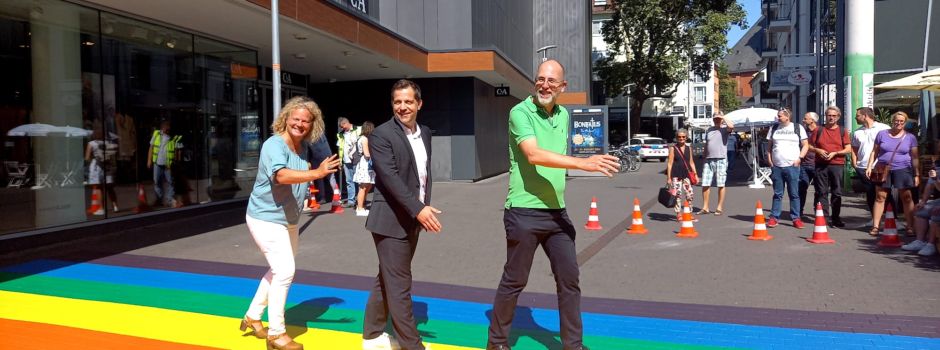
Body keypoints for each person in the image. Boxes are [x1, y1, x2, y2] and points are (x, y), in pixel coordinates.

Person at [486, 60, 619, 350]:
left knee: (570, 280)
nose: (544, 85)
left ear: (562, 87)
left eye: (551, 81)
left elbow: (556, 161)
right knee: (515, 280)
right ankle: (496, 343)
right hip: (523, 211)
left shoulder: (563, 116)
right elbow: (533, 154)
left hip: (557, 213)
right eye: (540, 79)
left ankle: (573, 345)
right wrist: (584, 163)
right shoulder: (519, 112)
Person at [241, 96, 340, 350]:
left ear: (312, 126)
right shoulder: (274, 145)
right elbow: (281, 175)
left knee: (278, 269)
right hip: (265, 217)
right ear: (285, 119)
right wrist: (316, 173)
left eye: (306, 121)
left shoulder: (302, 148)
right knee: (285, 271)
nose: (300, 124)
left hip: (288, 219)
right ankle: (276, 334)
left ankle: (253, 316)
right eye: (295, 119)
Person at [362, 80, 442, 350]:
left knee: (387, 276)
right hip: (389, 221)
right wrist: (420, 209)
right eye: (397, 102)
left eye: (408, 101)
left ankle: (372, 335)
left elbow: (422, 176)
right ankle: (412, 345)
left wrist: (421, 207)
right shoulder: (381, 135)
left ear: (419, 104)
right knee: (400, 283)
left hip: (411, 219)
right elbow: (390, 178)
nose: (403, 107)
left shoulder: (426, 133)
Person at [866, 111, 920, 237]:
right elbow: (874, 152)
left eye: (901, 121)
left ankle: (910, 226)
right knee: (880, 197)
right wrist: (869, 166)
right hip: (882, 168)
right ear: (892, 121)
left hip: (903, 169)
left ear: (905, 123)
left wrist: (916, 174)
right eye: (896, 120)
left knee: (906, 197)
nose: (898, 123)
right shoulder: (882, 134)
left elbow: (915, 157)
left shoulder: (910, 137)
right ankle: (876, 226)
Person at [766, 107, 809, 229]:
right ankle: (774, 218)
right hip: (777, 167)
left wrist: (799, 158)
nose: (777, 118)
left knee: (794, 194)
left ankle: (796, 218)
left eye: (780, 116)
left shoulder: (797, 127)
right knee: (777, 194)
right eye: (777, 116)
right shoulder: (774, 128)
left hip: (792, 166)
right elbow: (769, 147)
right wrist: (769, 160)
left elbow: (805, 145)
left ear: (787, 116)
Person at [809, 106, 852, 228]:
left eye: (834, 115)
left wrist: (835, 153)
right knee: (822, 192)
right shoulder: (818, 130)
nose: (831, 117)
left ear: (838, 117)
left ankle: (836, 218)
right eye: (829, 115)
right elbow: (809, 146)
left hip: (837, 164)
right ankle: (824, 218)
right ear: (825, 116)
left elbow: (848, 149)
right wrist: (818, 150)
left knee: (836, 192)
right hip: (821, 164)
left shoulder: (842, 131)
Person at [852, 107, 891, 212]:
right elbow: (854, 148)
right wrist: (855, 163)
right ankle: (874, 218)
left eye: (857, 116)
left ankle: (891, 218)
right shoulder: (857, 132)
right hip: (862, 167)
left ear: (865, 116)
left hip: (879, 166)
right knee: (870, 193)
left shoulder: (883, 128)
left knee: (883, 193)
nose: (855, 118)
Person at [698, 112, 733, 215]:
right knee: (705, 183)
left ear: (721, 120)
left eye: (718, 119)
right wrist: (704, 155)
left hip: (721, 159)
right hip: (708, 159)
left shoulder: (725, 129)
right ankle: (705, 207)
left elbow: (731, 126)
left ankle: (719, 207)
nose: (717, 120)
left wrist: (723, 117)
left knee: (720, 184)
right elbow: (707, 143)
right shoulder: (709, 130)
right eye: (715, 119)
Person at [905, 160, 940, 256]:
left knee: (936, 212)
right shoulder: (937, 165)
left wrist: (936, 179)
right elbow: (930, 186)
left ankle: (931, 244)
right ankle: (920, 241)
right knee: (921, 210)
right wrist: (923, 201)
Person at [147, 119, 182, 207]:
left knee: (170, 182)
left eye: (168, 129)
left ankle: (170, 200)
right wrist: (149, 160)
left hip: (168, 164)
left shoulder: (174, 137)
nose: (167, 130)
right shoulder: (156, 134)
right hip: (157, 163)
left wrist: (176, 163)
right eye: (165, 129)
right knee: (157, 182)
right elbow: (151, 147)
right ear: (162, 128)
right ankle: (159, 200)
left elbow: (178, 151)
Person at [85, 127, 119, 213]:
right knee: (110, 188)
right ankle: (115, 206)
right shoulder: (108, 142)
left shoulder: (91, 144)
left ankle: (101, 208)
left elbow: (87, 157)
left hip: (96, 167)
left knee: (99, 187)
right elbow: (112, 155)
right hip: (107, 166)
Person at [666, 129, 697, 221]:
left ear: (686, 137)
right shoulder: (673, 148)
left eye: (683, 137)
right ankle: (678, 213)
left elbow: (691, 162)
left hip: (687, 174)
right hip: (676, 174)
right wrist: (669, 178)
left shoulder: (689, 148)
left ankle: (688, 212)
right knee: (677, 195)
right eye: (679, 137)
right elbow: (670, 163)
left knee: (689, 194)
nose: (681, 138)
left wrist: (695, 174)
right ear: (676, 138)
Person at [799, 112, 819, 218]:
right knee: (801, 188)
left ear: (812, 120)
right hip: (804, 165)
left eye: (805, 118)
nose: (803, 120)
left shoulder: (821, 131)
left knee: (819, 190)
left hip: (818, 164)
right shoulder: (803, 132)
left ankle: (818, 211)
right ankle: (799, 211)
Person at [337, 117, 361, 207]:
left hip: (356, 159)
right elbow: (340, 148)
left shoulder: (358, 129)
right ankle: (351, 201)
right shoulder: (341, 135)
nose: (342, 128)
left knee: (358, 180)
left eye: (342, 126)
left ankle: (360, 199)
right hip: (346, 160)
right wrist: (340, 160)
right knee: (349, 181)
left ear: (346, 123)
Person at [354, 121, 376, 216]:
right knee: (363, 187)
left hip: (364, 163)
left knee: (368, 185)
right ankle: (360, 208)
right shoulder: (364, 139)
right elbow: (367, 154)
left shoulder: (362, 138)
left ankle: (362, 206)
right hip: (365, 164)